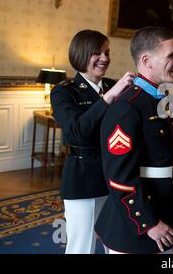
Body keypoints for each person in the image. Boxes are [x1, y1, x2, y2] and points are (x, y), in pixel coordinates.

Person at [95, 26, 173, 254]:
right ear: (147, 60)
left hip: (165, 211)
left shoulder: (164, 101)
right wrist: (148, 223)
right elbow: (119, 177)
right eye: (171, 55)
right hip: (134, 226)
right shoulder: (127, 107)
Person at [50, 30, 135, 254]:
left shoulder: (114, 85)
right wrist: (109, 98)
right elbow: (77, 131)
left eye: (107, 52)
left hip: (116, 175)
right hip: (82, 178)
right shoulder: (63, 92)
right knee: (82, 246)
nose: (105, 58)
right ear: (81, 54)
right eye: (97, 53)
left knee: (115, 243)